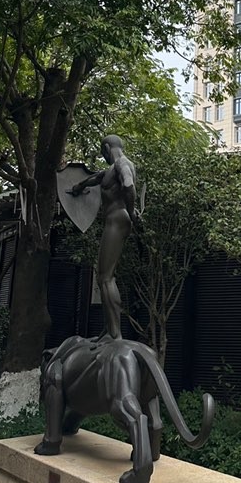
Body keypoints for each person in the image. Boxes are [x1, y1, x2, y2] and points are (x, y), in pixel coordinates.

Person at [70, 135, 140, 339]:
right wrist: (79, 187)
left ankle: (115, 334)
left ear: (107, 148)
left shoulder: (122, 164)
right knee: (103, 277)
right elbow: (96, 178)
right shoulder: (111, 170)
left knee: (106, 277)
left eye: (103, 152)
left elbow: (128, 185)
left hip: (118, 219)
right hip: (114, 220)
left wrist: (132, 211)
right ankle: (110, 328)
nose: (104, 156)